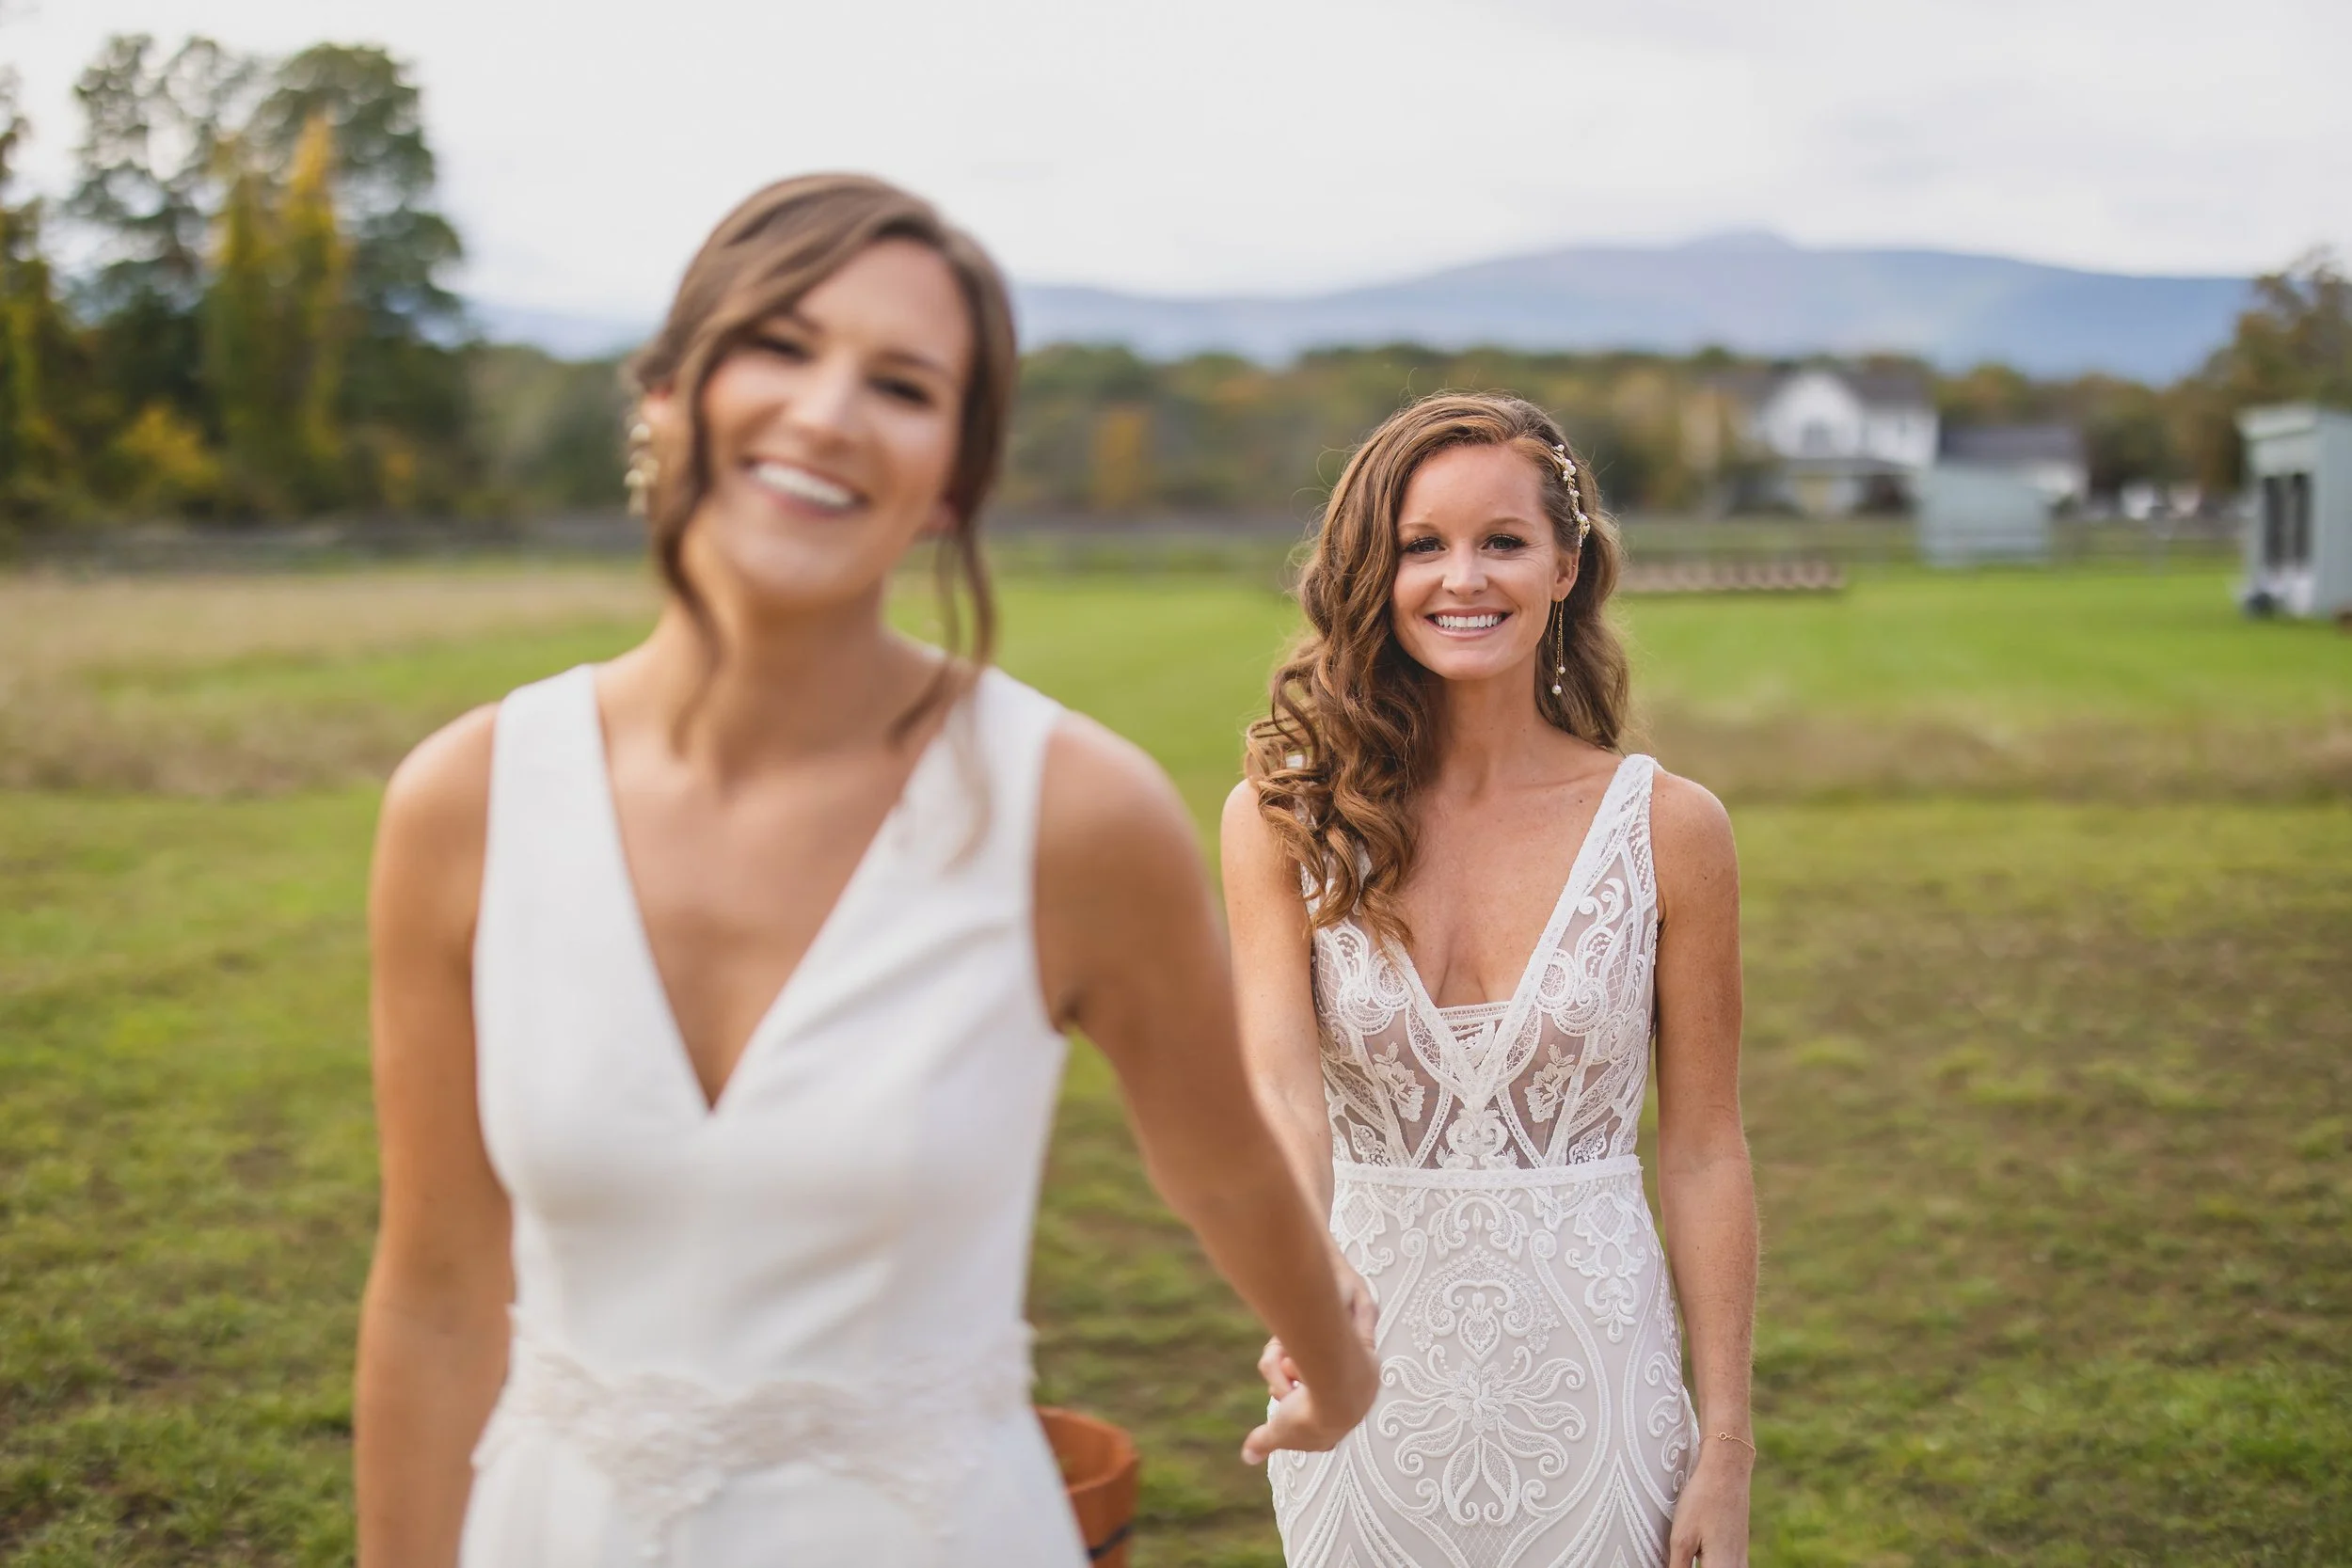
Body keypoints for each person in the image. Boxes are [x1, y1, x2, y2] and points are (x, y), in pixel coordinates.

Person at [355, 173, 1375, 1568]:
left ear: (953, 480)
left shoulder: (1074, 814)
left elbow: (1221, 1165)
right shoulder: (465, 801)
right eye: (778, 344)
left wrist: (1340, 1363)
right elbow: (435, 1289)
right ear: (662, 394)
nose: (826, 410)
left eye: (900, 383)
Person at [1223, 393, 1757, 1568]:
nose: (1462, 578)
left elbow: (1706, 1145)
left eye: (1501, 541)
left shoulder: (1670, 828)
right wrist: (1302, 1277)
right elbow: (1280, 1094)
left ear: (1564, 564)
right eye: (1423, 545)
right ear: (1376, 568)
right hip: (1361, 1370)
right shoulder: (1287, 821)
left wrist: (1725, 1448)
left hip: (1599, 1377)